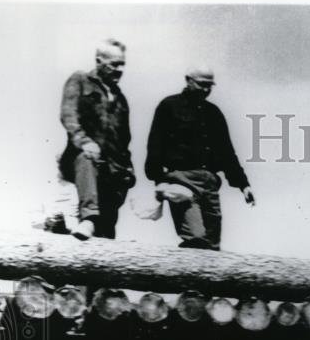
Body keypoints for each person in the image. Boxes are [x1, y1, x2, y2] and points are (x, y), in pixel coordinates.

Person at [145, 66, 255, 249]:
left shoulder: (214, 113)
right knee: (196, 240)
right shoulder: (169, 106)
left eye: (210, 86)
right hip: (181, 181)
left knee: (212, 247)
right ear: (188, 80)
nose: (206, 90)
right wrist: (159, 180)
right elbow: (155, 145)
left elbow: (227, 152)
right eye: (202, 84)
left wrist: (244, 185)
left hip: (210, 185)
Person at [59, 39, 135, 241]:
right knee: (87, 158)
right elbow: (69, 116)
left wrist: (128, 169)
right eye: (114, 64)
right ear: (99, 61)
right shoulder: (80, 80)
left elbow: (124, 139)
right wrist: (84, 142)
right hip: (83, 161)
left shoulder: (121, 98)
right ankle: (88, 219)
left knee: (107, 234)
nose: (119, 69)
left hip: (112, 171)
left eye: (122, 64)